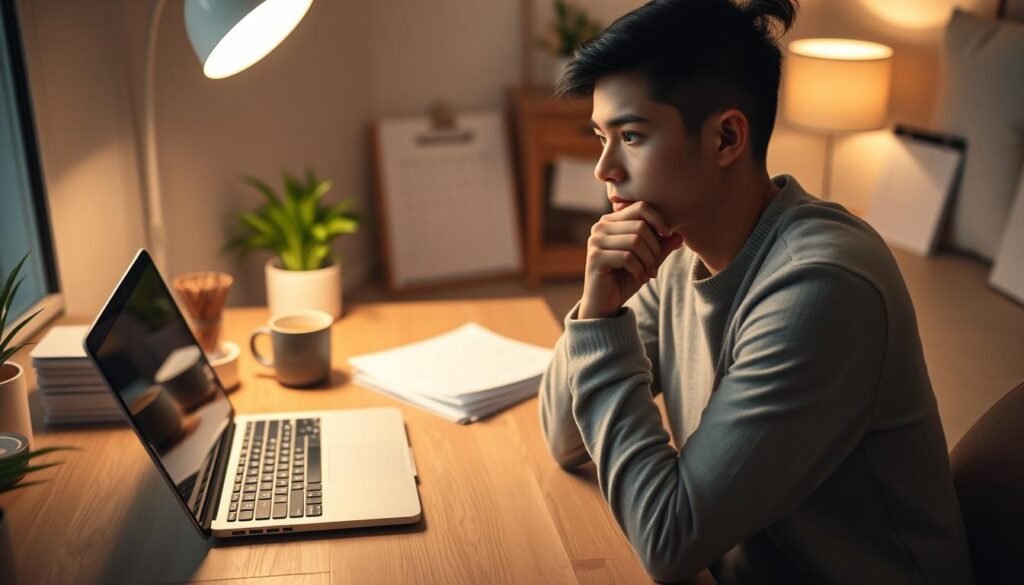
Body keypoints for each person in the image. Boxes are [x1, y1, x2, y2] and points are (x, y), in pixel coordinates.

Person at [538, 0, 975, 582]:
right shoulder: (676, 249)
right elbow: (565, 437)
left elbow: (669, 541)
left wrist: (600, 331)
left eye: (632, 136)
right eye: (601, 137)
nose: (604, 168)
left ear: (726, 137)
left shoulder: (823, 287)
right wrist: (598, 311)